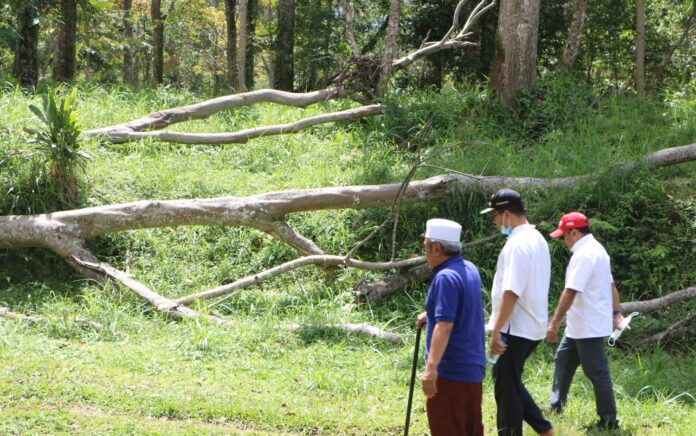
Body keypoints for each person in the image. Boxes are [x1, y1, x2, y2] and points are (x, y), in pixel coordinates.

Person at [480, 188, 555, 436]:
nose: (494, 223)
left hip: (516, 327)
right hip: (532, 326)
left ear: (507, 215)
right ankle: (544, 429)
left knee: (506, 388)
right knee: (508, 380)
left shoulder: (517, 245)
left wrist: (497, 331)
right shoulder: (538, 240)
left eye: (495, 217)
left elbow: (511, 292)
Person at [546, 211, 623, 430]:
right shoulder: (598, 250)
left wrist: (553, 323)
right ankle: (556, 405)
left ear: (574, 232)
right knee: (563, 359)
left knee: (597, 373)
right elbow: (611, 285)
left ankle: (609, 421)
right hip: (579, 324)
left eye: (564, 236)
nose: (563, 241)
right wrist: (616, 313)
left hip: (588, 325)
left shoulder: (584, 255)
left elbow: (570, 291)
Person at [416, 218, 486, 436]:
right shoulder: (468, 268)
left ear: (437, 248)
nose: (423, 249)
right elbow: (462, 306)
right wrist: (432, 313)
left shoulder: (445, 277)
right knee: (469, 429)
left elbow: (445, 325)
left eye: (425, 244)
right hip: (472, 369)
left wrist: (430, 369)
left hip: (450, 372)